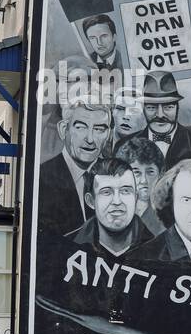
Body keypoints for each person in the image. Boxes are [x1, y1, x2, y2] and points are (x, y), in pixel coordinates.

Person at [40, 98, 112, 237]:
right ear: (62, 130)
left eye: (98, 129)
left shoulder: (118, 178)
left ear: (108, 135)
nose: (90, 139)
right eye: (81, 127)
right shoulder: (41, 178)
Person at [119, 71, 191, 166]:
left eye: (168, 107)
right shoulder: (124, 145)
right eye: (151, 108)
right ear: (143, 109)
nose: (160, 115)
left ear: (177, 107)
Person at [65, 157, 151, 257]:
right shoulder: (66, 247)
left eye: (125, 191)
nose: (117, 201)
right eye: (106, 192)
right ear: (91, 201)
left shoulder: (159, 248)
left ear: (135, 198)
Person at [114, 136, 166, 237]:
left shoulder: (163, 222)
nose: (144, 180)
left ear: (160, 174)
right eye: (136, 172)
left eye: (150, 172)